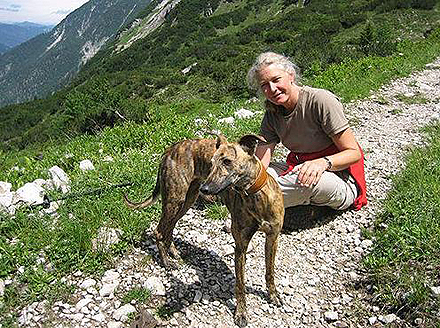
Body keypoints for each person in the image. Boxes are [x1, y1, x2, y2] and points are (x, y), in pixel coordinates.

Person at [247, 52, 367, 211]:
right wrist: (249, 177)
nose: (272, 89)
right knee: (251, 175)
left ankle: (250, 208)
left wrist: (322, 163)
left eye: (276, 80)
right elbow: (262, 162)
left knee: (298, 182)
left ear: (291, 75)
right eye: (264, 85)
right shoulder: (272, 113)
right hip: (300, 167)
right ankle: (260, 201)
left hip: (340, 177)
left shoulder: (320, 100)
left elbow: (354, 153)